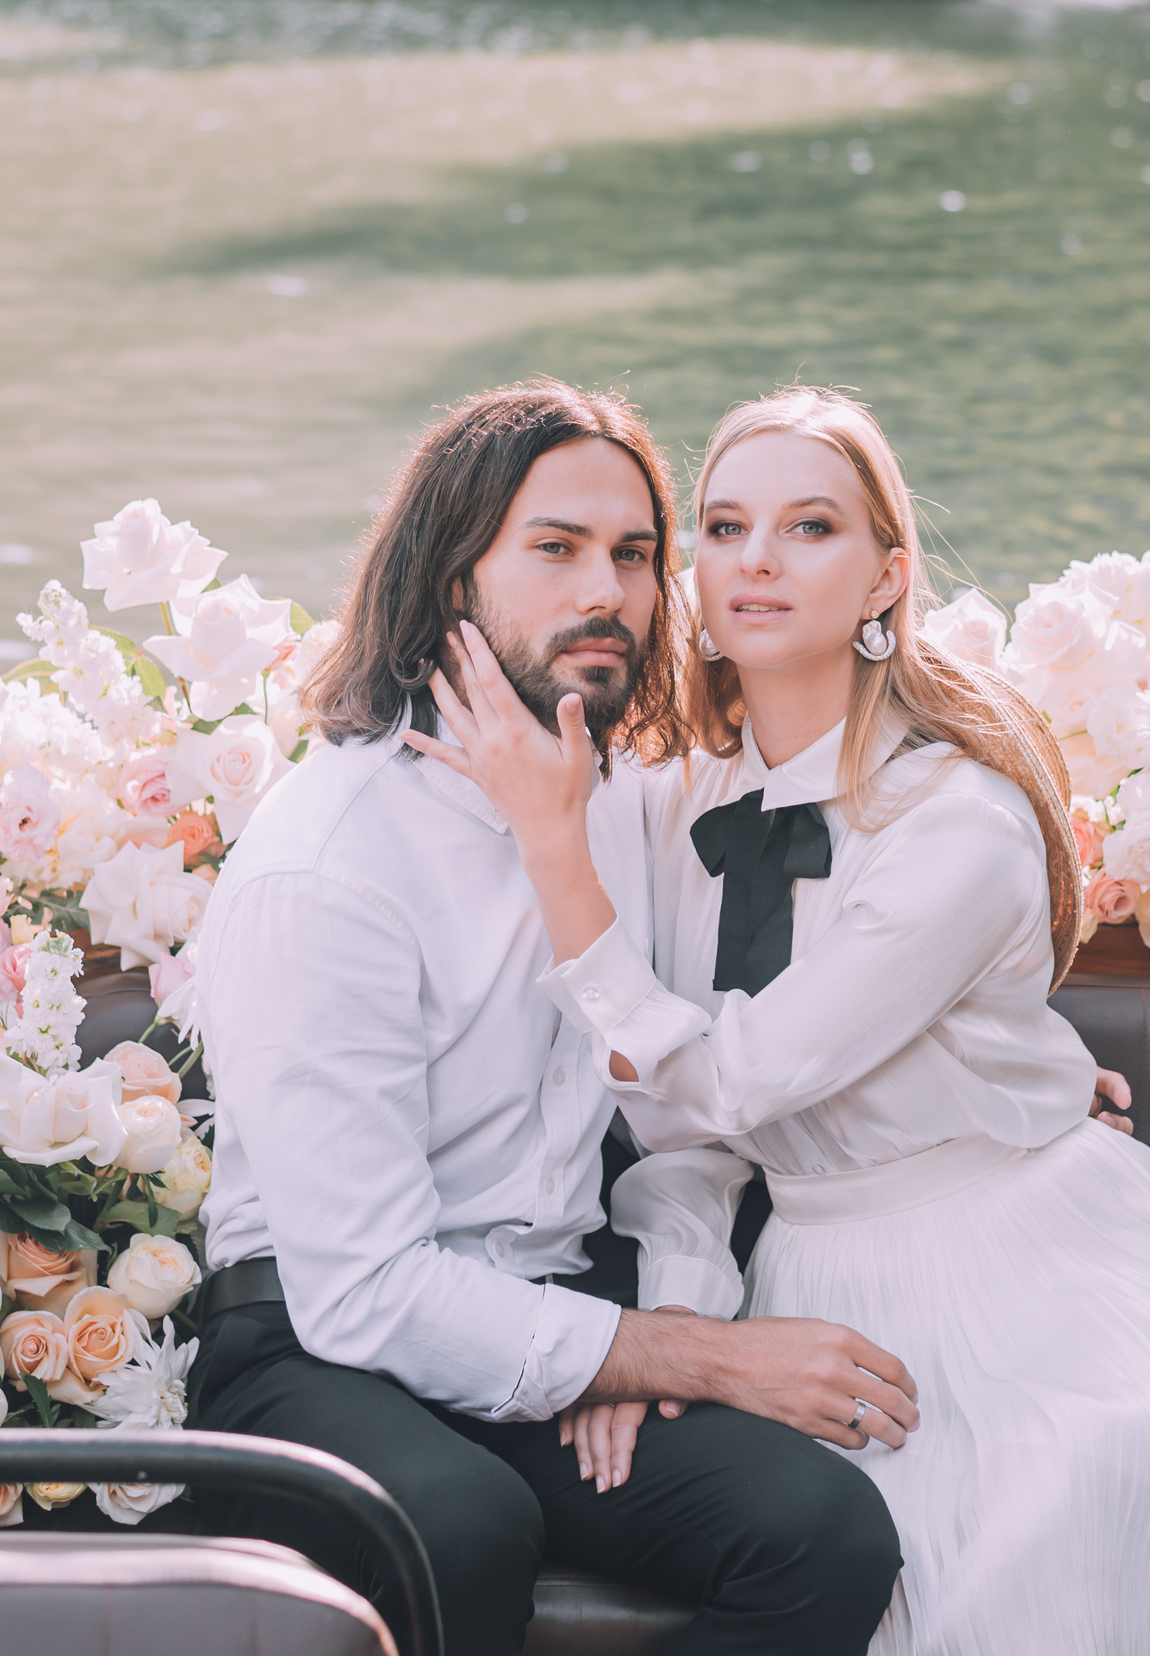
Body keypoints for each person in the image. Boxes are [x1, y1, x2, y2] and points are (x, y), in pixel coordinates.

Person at [407, 385, 1150, 1656]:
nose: (756, 561)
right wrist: (662, 1340)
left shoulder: (958, 826)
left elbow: (733, 1081)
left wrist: (552, 846)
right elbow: (681, 1138)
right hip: (815, 1270)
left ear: (887, 576)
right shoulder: (664, 800)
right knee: (835, 1558)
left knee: (1015, 1580)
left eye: (809, 527)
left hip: (1029, 1266)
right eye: (721, 527)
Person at [191, 380, 913, 1656]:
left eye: (635, 553)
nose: (612, 591)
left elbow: (689, 1083)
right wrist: (664, 1354)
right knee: (458, 1525)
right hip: (313, 1346)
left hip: (559, 1296)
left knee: (824, 1532)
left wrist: (999, 1070)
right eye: (557, 548)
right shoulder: (327, 862)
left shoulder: (626, 801)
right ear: (451, 577)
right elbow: (361, 1288)